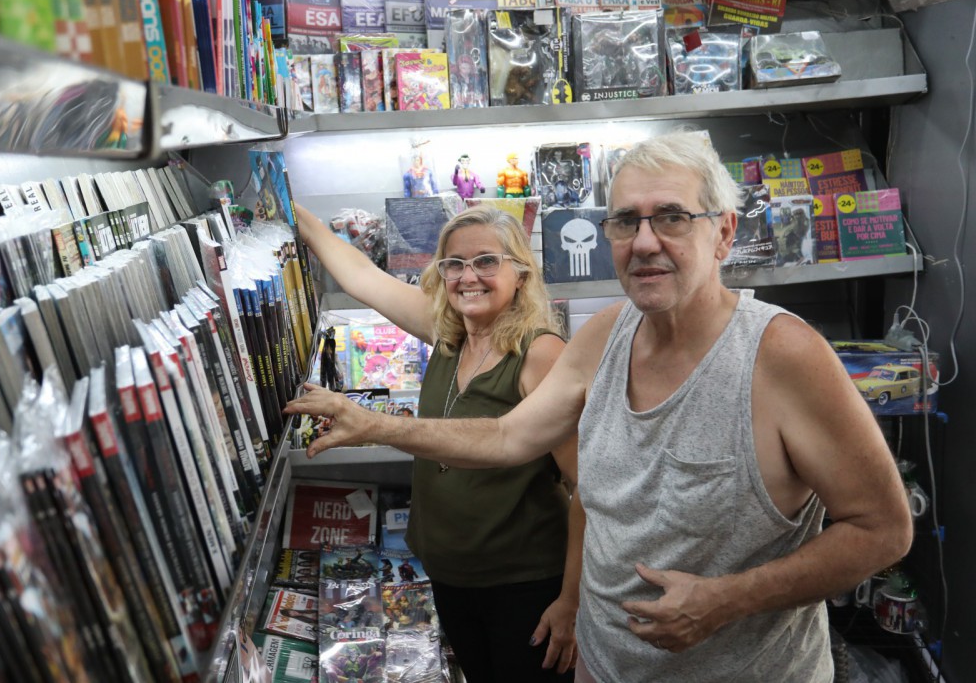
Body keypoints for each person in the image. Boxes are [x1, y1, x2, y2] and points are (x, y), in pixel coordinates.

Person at [288, 132, 914, 682]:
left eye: (671, 217)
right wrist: (373, 424)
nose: (644, 242)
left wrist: (728, 598)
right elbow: (507, 438)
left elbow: (883, 529)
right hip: (605, 665)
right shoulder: (607, 334)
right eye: (625, 221)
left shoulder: (783, 355)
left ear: (724, 231)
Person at [294, 201, 579, 680]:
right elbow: (360, 276)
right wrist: (292, 208)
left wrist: (571, 600)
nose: (469, 276)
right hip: (449, 578)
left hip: (523, 584)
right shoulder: (449, 334)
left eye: (487, 261)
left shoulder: (541, 353)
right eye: (455, 264)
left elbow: (587, 485)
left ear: (521, 274)